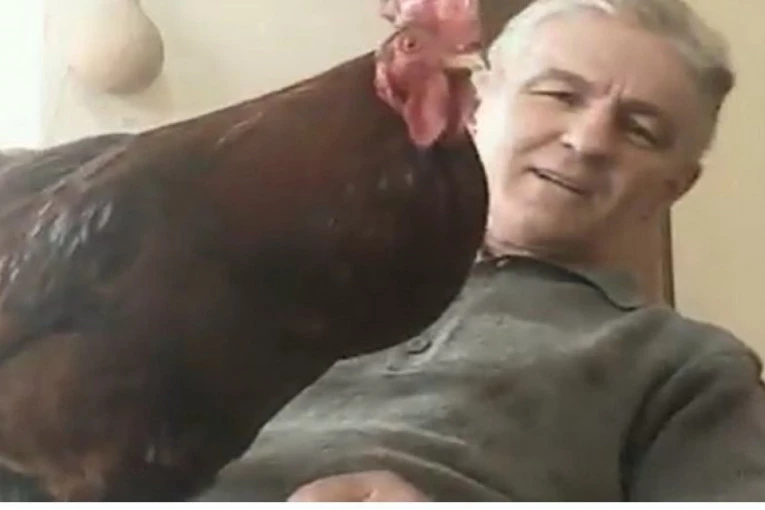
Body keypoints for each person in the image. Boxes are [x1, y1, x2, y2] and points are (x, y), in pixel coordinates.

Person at [199, 0, 765, 501]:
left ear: (672, 188)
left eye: (640, 130)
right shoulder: (299, 274)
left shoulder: (689, 365)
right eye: (560, 95)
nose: (588, 141)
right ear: (475, 104)